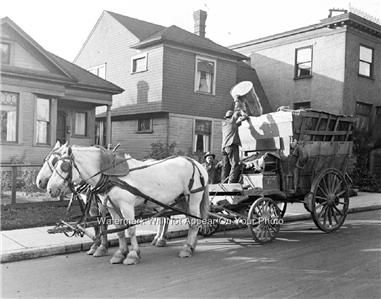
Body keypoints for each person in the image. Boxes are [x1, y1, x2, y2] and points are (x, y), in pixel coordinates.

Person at [221, 110, 248, 183]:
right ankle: (231, 182)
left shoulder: (225, 124)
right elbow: (239, 113)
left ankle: (224, 182)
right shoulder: (231, 121)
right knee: (235, 164)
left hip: (224, 147)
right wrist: (243, 114)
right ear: (232, 117)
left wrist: (241, 121)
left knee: (226, 166)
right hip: (231, 145)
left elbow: (236, 125)